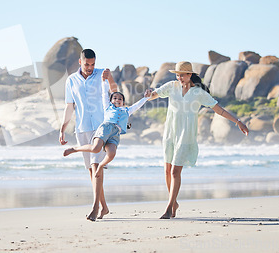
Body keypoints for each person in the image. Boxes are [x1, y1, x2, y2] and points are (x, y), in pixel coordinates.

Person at [146, 61, 249, 219]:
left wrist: (237, 122)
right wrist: (148, 95)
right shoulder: (171, 86)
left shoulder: (199, 93)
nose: (179, 77)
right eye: (178, 74)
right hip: (170, 133)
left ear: (190, 75)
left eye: (182, 75)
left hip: (186, 134)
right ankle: (174, 203)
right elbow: (154, 95)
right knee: (167, 171)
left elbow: (218, 109)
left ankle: (168, 207)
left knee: (175, 171)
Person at [63, 79, 150, 221]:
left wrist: (146, 97)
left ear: (123, 102)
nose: (117, 100)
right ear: (111, 101)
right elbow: (104, 94)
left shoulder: (127, 110)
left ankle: (101, 166)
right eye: (115, 98)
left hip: (115, 135)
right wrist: (104, 82)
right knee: (95, 148)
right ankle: (76, 149)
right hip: (105, 129)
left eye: (120, 99)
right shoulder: (107, 107)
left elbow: (138, 105)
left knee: (112, 153)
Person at [59, 49, 118, 221]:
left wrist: (111, 78)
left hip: (101, 127)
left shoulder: (102, 75)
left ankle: (94, 207)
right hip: (82, 128)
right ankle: (104, 207)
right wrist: (62, 129)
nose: (90, 67)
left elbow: (115, 95)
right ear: (80, 62)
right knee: (92, 172)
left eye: (93, 64)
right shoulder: (71, 80)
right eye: (87, 64)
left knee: (95, 166)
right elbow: (69, 106)